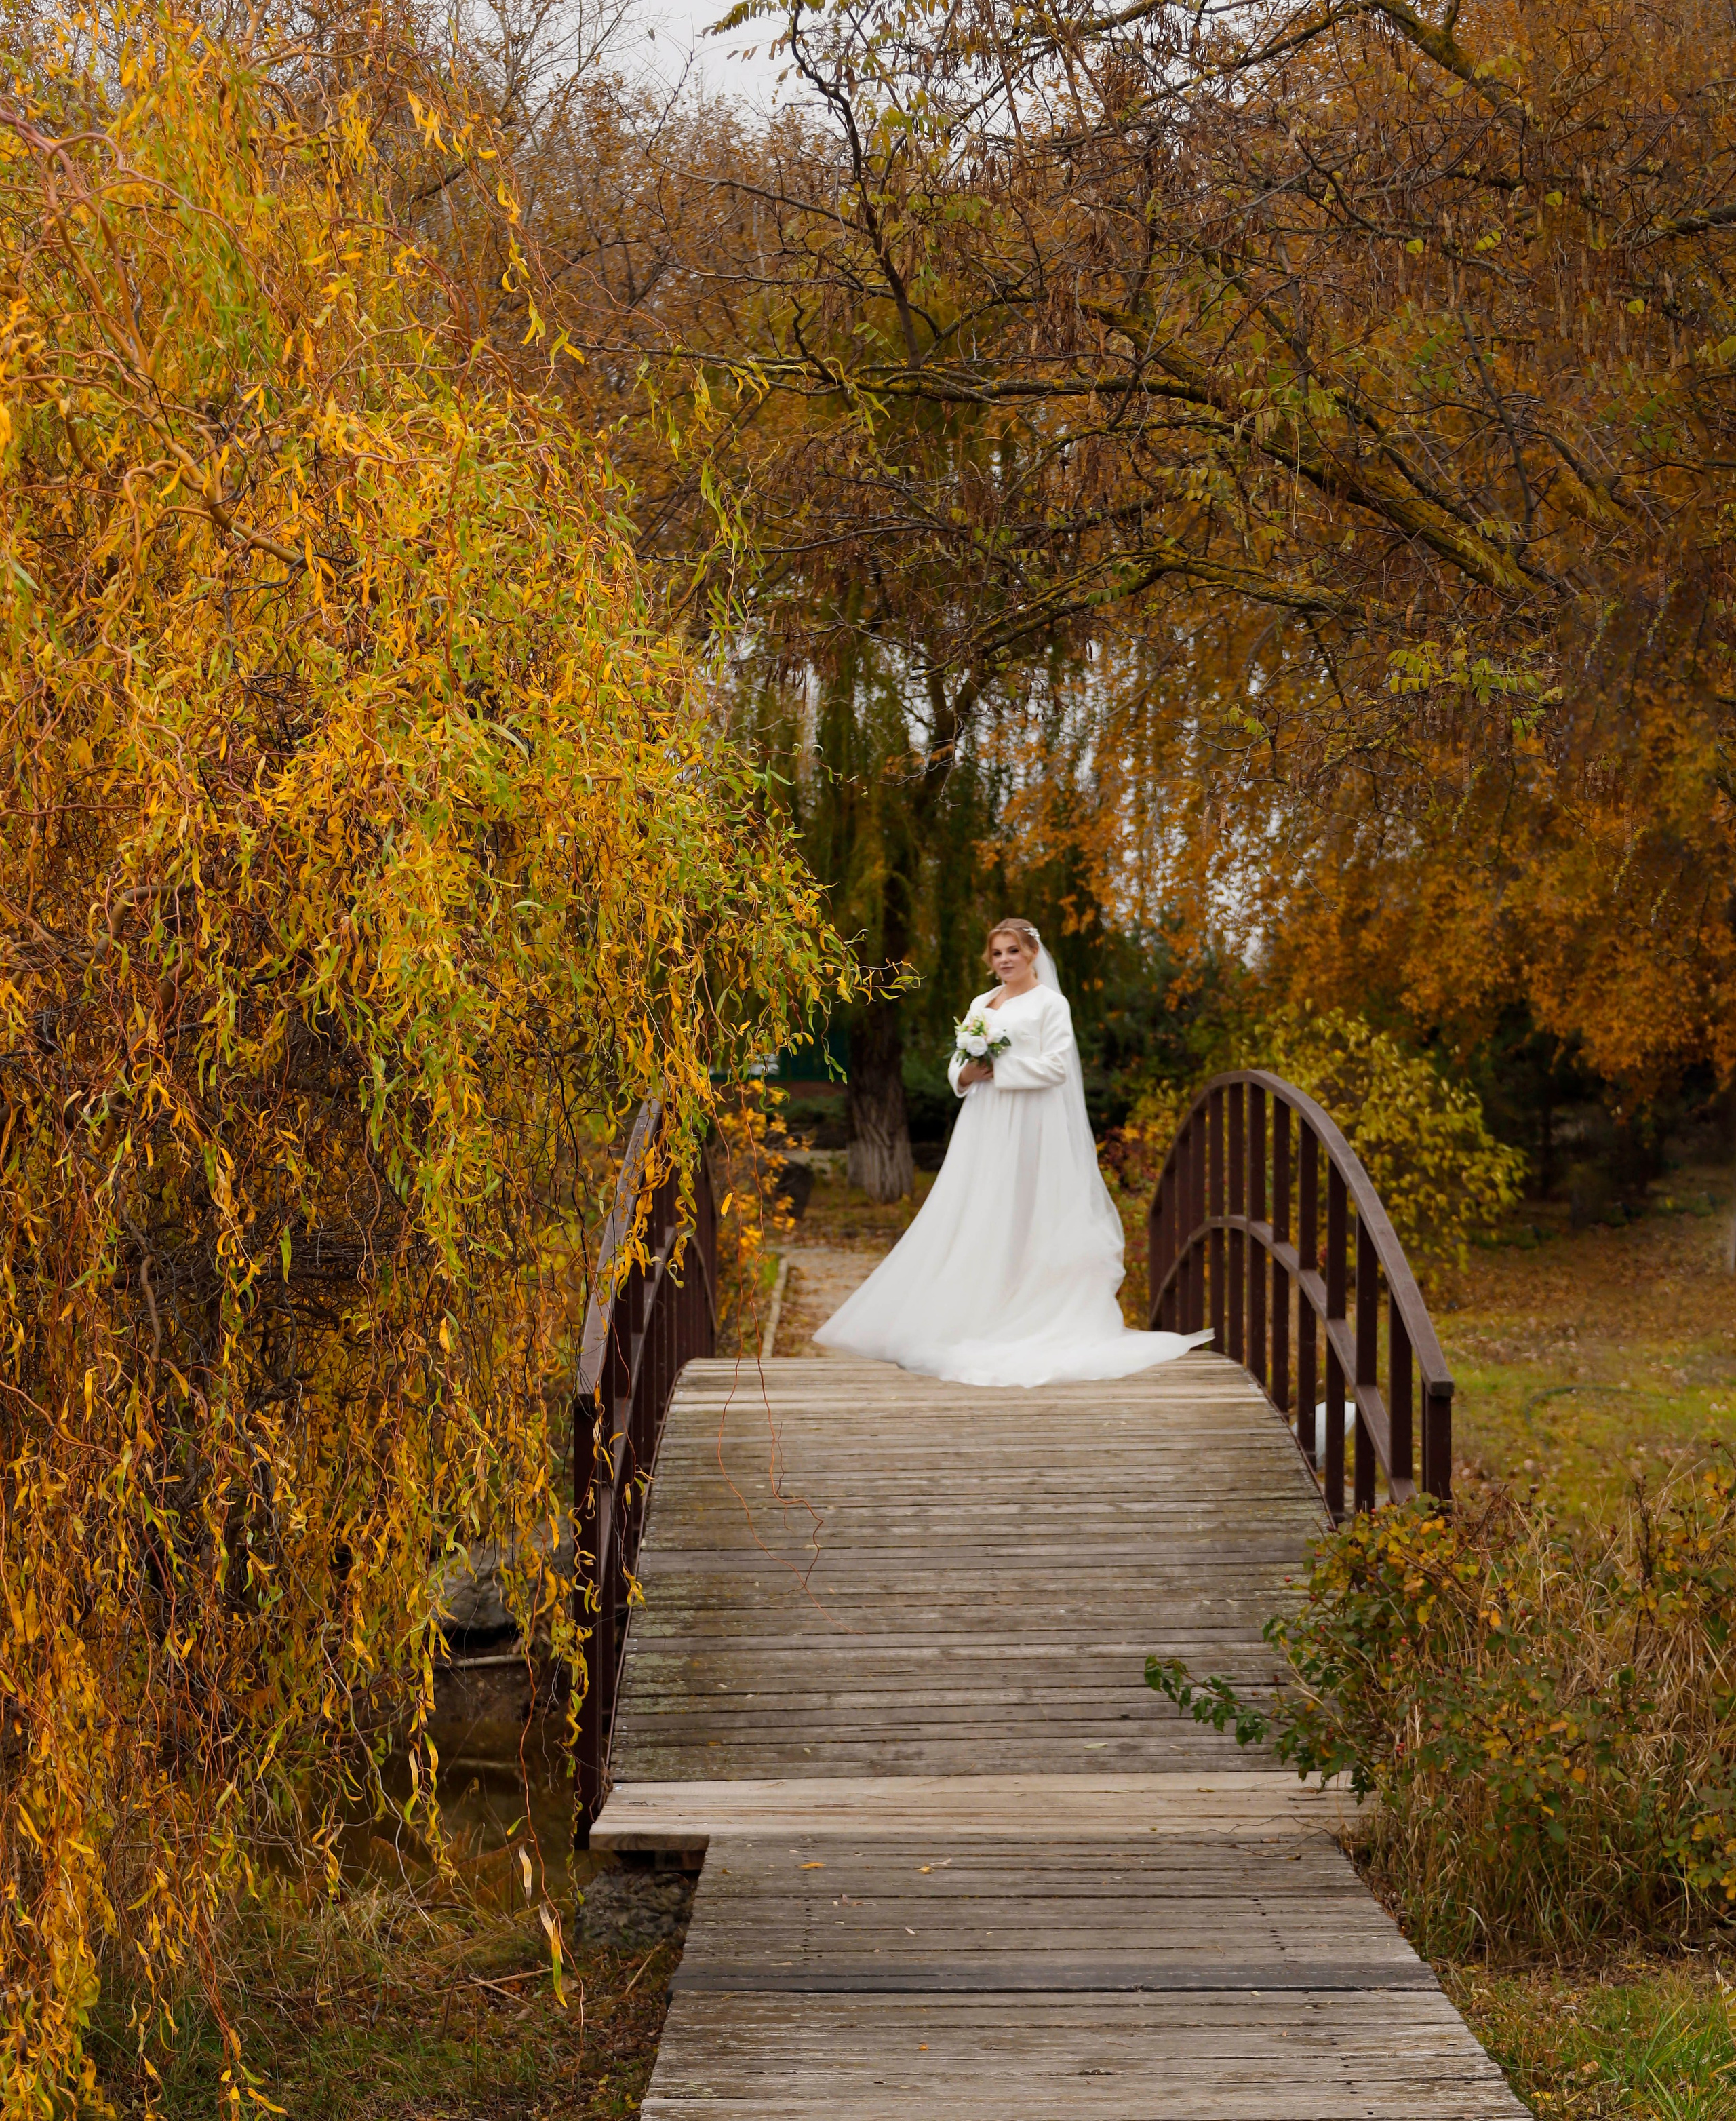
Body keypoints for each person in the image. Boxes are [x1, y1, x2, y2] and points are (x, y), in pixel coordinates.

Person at [813, 918, 1212, 1386]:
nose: (1005, 960)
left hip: (1030, 1120)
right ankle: (976, 1306)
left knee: (1025, 1208)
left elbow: (1057, 1067)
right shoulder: (981, 1002)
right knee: (978, 1205)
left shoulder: (1051, 1004)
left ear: (1032, 953)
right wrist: (964, 1075)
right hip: (983, 1120)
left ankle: (1025, 1308)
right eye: (998, 952)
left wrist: (1000, 1070)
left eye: (1013, 951)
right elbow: (960, 1060)